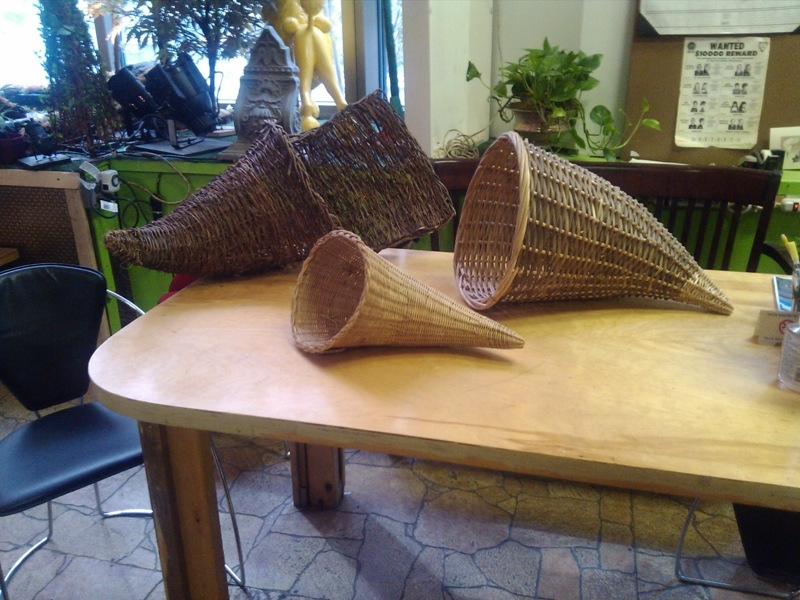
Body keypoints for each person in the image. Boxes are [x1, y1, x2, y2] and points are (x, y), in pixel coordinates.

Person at [268, 0, 348, 130]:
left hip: (302, 44)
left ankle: (308, 107)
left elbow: (323, 23)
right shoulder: (287, 8)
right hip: (299, 45)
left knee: (305, 80)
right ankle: (339, 105)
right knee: (328, 81)